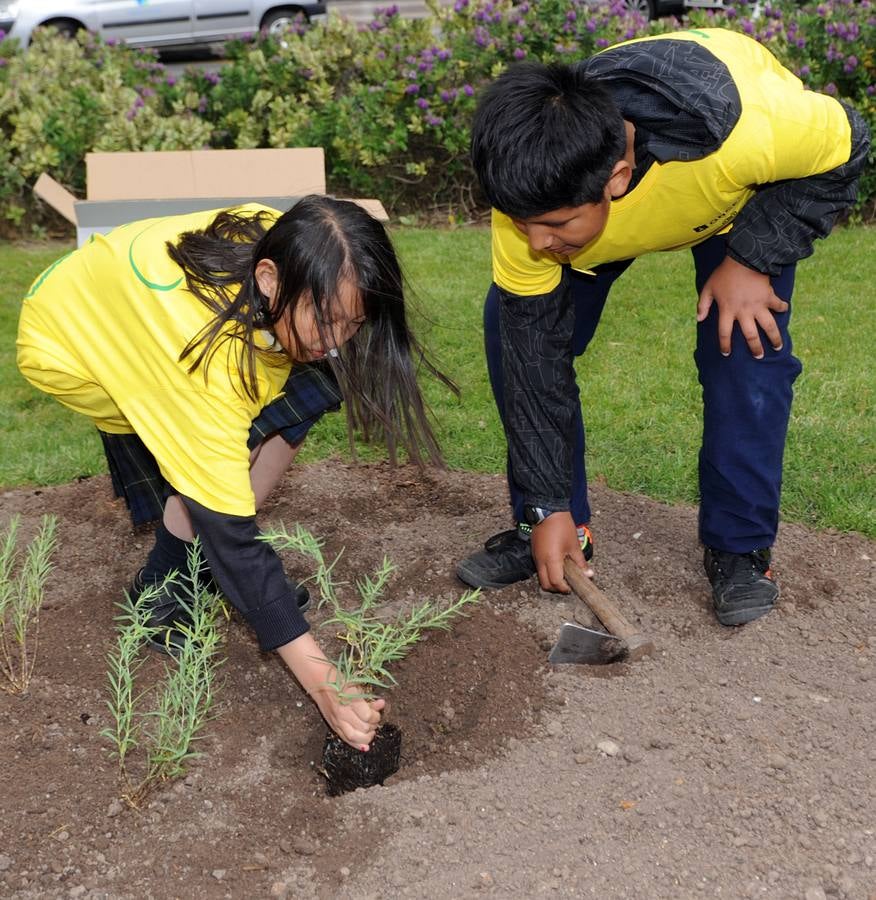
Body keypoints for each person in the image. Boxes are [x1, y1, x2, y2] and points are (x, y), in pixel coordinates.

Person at [456, 28, 870, 626]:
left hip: (739, 201)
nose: (537, 243)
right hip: (617, 221)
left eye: (554, 224)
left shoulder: (750, 132)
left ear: (617, 178)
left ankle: (740, 548)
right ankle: (549, 523)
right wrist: (548, 501)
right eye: (523, 224)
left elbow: (850, 142)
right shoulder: (532, 201)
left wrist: (753, 258)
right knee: (513, 334)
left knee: (748, 350)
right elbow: (533, 361)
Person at [18, 195, 451, 750]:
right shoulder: (201, 364)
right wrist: (325, 685)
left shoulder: (290, 243)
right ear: (268, 279)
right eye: (325, 320)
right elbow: (235, 535)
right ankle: (161, 592)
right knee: (212, 469)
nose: (336, 339)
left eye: (353, 322)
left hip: (128, 302)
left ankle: (200, 572)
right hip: (70, 340)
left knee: (302, 390)